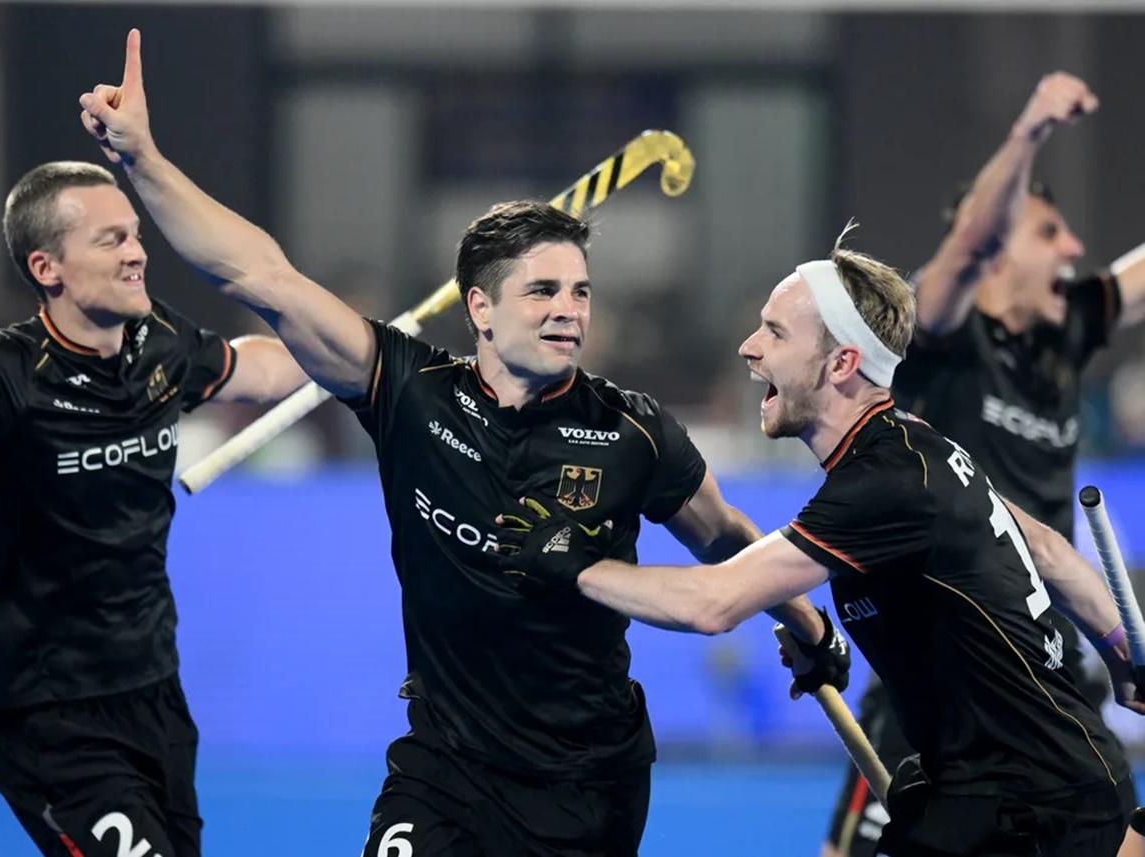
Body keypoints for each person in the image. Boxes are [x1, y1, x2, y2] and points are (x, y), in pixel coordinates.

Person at [75, 29, 849, 856]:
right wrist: (143, 160)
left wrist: (810, 630)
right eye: (543, 290)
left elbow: (726, 536)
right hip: (445, 767)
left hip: (589, 780)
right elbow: (259, 275)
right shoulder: (408, 390)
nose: (570, 311)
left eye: (581, 291)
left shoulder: (632, 431)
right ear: (479, 308)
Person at [496, 238, 1144, 856]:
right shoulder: (918, 446)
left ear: (841, 363)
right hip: (1029, 787)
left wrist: (570, 563)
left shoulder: (884, 483)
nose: (749, 348)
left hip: (1032, 813)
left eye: (776, 332)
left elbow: (714, 604)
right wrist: (1124, 654)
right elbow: (1051, 550)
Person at [0, 158, 308, 855]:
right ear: (48, 267)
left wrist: (369, 351)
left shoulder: (162, 346)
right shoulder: (5, 374)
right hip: (49, 713)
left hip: (154, 693)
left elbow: (259, 366)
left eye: (135, 234)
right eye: (110, 239)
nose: (138, 251)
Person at [828, 71, 1145, 857]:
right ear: (1001, 249)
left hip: (1045, 668)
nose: (1074, 248)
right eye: (1050, 232)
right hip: (940, 670)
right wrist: (1031, 127)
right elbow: (968, 242)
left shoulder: (1062, 331)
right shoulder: (940, 339)